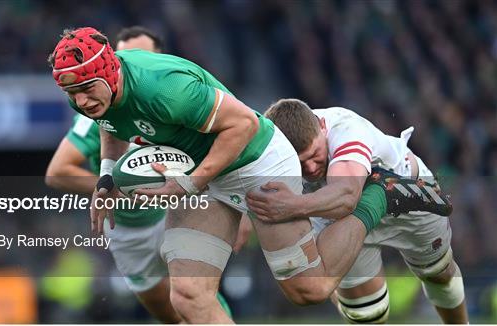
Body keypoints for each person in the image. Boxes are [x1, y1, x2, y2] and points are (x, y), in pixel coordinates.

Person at [48, 27, 396, 323]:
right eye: (73, 94)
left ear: (109, 72)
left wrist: (189, 183)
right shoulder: (89, 93)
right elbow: (111, 123)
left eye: (87, 89)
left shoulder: (166, 89)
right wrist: (107, 175)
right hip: (207, 176)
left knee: (309, 290)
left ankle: (376, 195)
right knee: (187, 295)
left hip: (257, 161)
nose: (82, 102)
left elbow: (244, 124)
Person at [45, 26, 234, 323]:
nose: (137, 62)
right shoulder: (95, 107)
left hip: (177, 207)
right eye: (129, 54)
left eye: (146, 55)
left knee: (196, 295)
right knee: (168, 311)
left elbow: (231, 136)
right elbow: (57, 172)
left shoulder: (171, 94)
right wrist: (117, 191)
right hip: (128, 227)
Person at [247, 98, 468, 323]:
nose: (311, 168)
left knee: (438, 273)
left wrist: (291, 205)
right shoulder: (271, 153)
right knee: (367, 314)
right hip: (337, 214)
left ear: (322, 127)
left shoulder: (346, 129)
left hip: (407, 194)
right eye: (301, 163)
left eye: (314, 155)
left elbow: (347, 195)